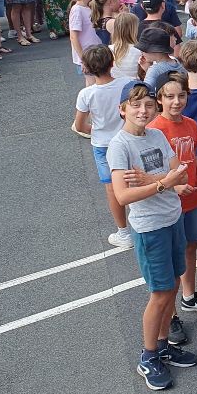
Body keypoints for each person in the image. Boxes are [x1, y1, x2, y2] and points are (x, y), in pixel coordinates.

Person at [107, 80, 197, 391]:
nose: (143, 110)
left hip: (171, 218)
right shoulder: (119, 147)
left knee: (172, 284)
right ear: (122, 110)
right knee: (160, 294)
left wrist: (150, 179)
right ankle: (148, 357)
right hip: (150, 228)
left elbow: (181, 174)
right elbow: (122, 196)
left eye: (148, 104)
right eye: (136, 105)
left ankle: (162, 345)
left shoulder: (157, 135)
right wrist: (162, 183)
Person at [148, 71, 197, 319]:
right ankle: (172, 317)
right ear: (159, 99)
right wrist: (174, 185)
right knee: (171, 258)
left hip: (192, 198)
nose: (176, 101)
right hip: (168, 204)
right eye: (169, 97)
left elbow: (192, 153)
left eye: (181, 95)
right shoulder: (154, 130)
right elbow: (152, 171)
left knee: (190, 247)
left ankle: (189, 297)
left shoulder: (190, 124)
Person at [73, 45, 132, 248]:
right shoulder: (127, 84)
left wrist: (95, 131)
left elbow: (79, 125)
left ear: (87, 68)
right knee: (136, 179)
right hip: (128, 139)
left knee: (113, 188)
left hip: (103, 145)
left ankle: (123, 232)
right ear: (112, 63)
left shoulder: (86, 94)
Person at [68, 0, 101, 87]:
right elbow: (73, 37)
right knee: (95, 86)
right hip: (87, 56)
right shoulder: (77, 10)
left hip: (93, 53)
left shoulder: (87, 8)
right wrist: (83, 59)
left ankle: (86, 104)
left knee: (91, 86)